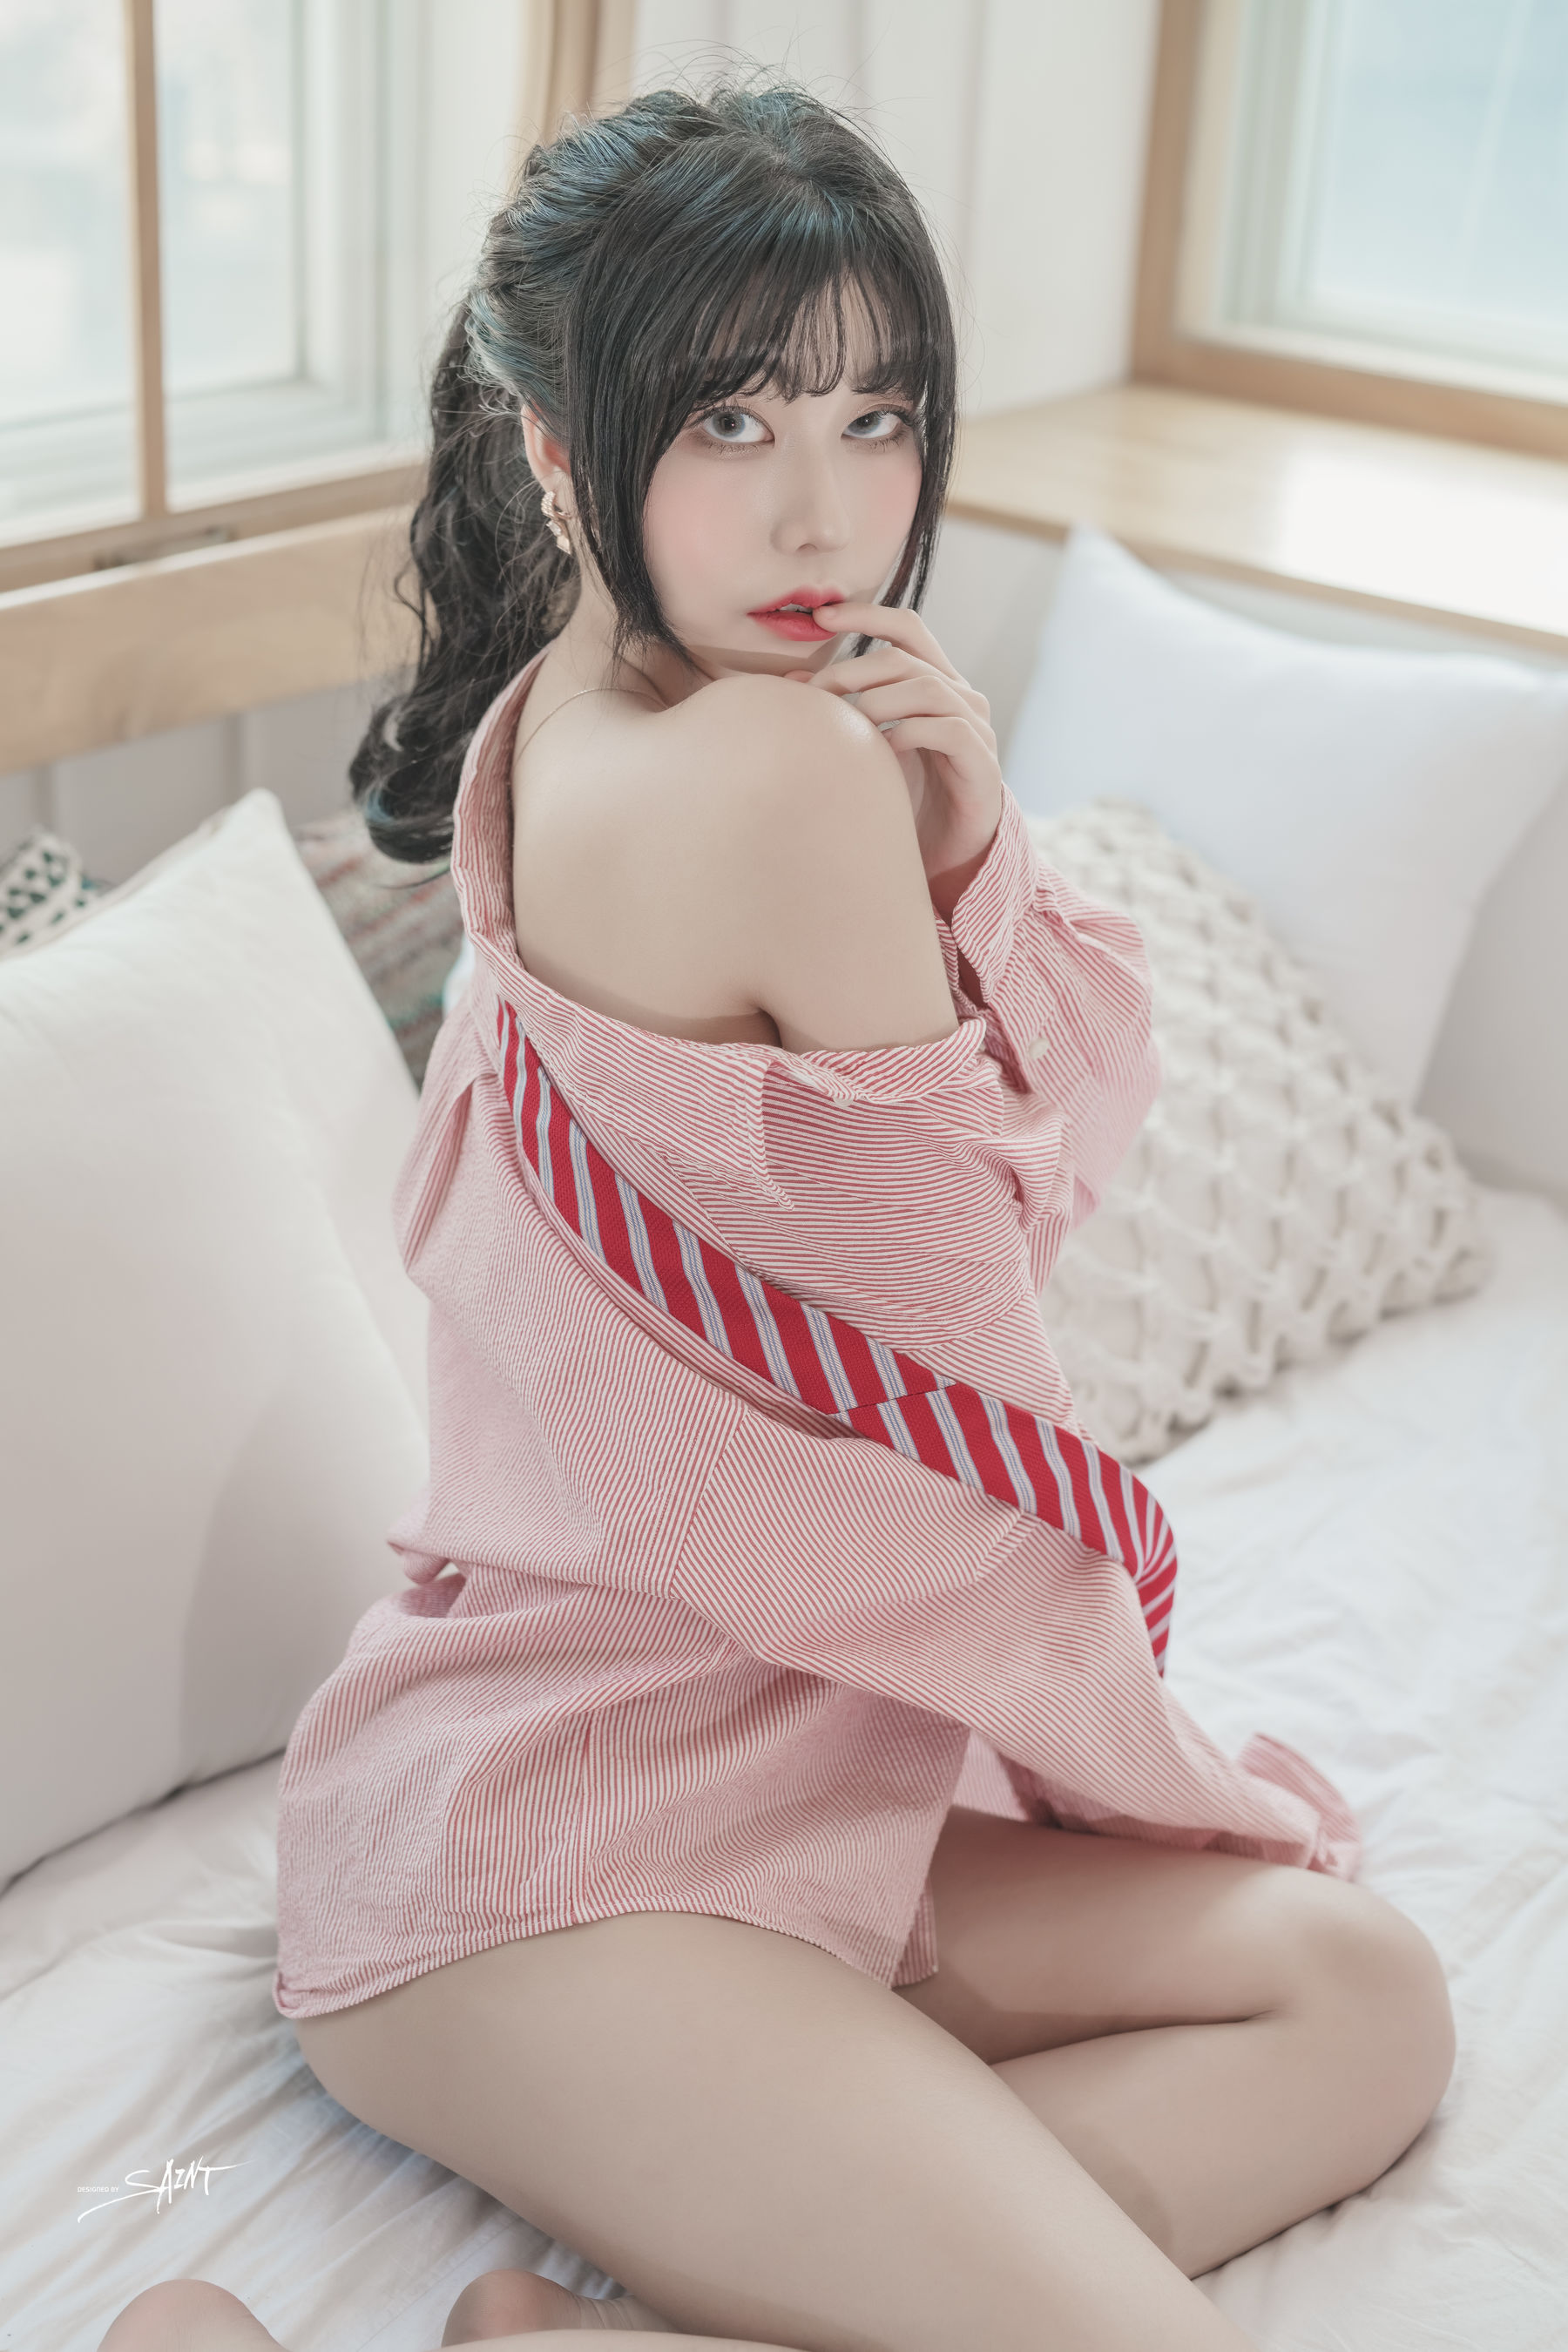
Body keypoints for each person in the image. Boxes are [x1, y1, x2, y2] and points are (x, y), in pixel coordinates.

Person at [99, 78, 1453, 2352]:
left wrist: (961, 834)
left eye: (875, 414)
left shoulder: (564, 710)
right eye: (734, 417)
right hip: (563, 1859)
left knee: (1360, 1995)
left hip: (755, 1760)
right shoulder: (778, 761)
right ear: (564, 451)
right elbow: (989, 1319)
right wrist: (967, 849)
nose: (826, 507)